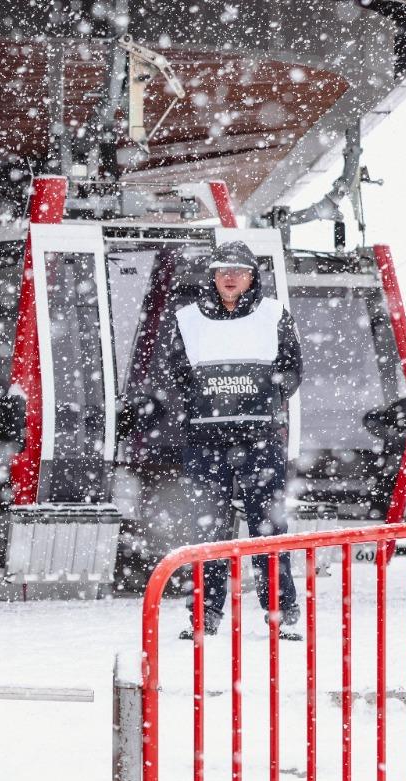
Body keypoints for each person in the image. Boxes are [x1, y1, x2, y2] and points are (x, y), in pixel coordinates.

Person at [160, 241, 304, 640]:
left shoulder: (274, 314)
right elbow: (175, 371)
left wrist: (263, 398)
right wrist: (205, 401)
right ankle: (204, 615)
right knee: (207, 530)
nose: (230, 277)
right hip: (205, 440)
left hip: (260, 439)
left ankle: (280, 614)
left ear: (252, 276)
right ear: (212, 274)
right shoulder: (188, 319)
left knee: (268, 528)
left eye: (238, 270)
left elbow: (292, 369)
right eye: (222, 269)